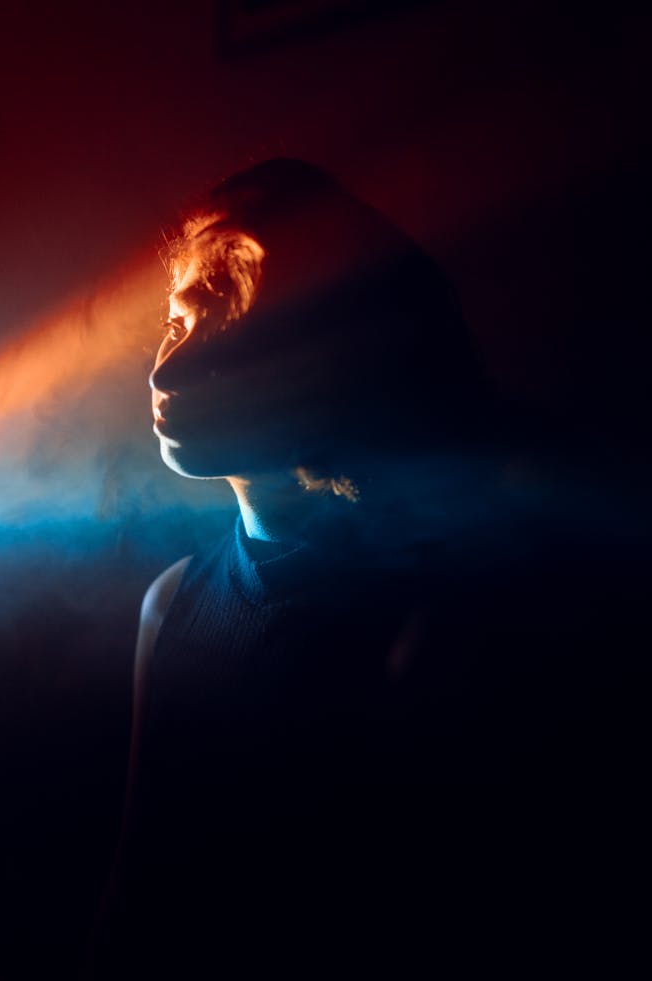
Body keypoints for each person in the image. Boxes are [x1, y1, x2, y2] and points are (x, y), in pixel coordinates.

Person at [91, 159, 643, 977]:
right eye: (177, 324)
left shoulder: (447, 625)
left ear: (334, 365)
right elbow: (132, 905)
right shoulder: (169, 603)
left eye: (226, 333)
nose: (165, 372)